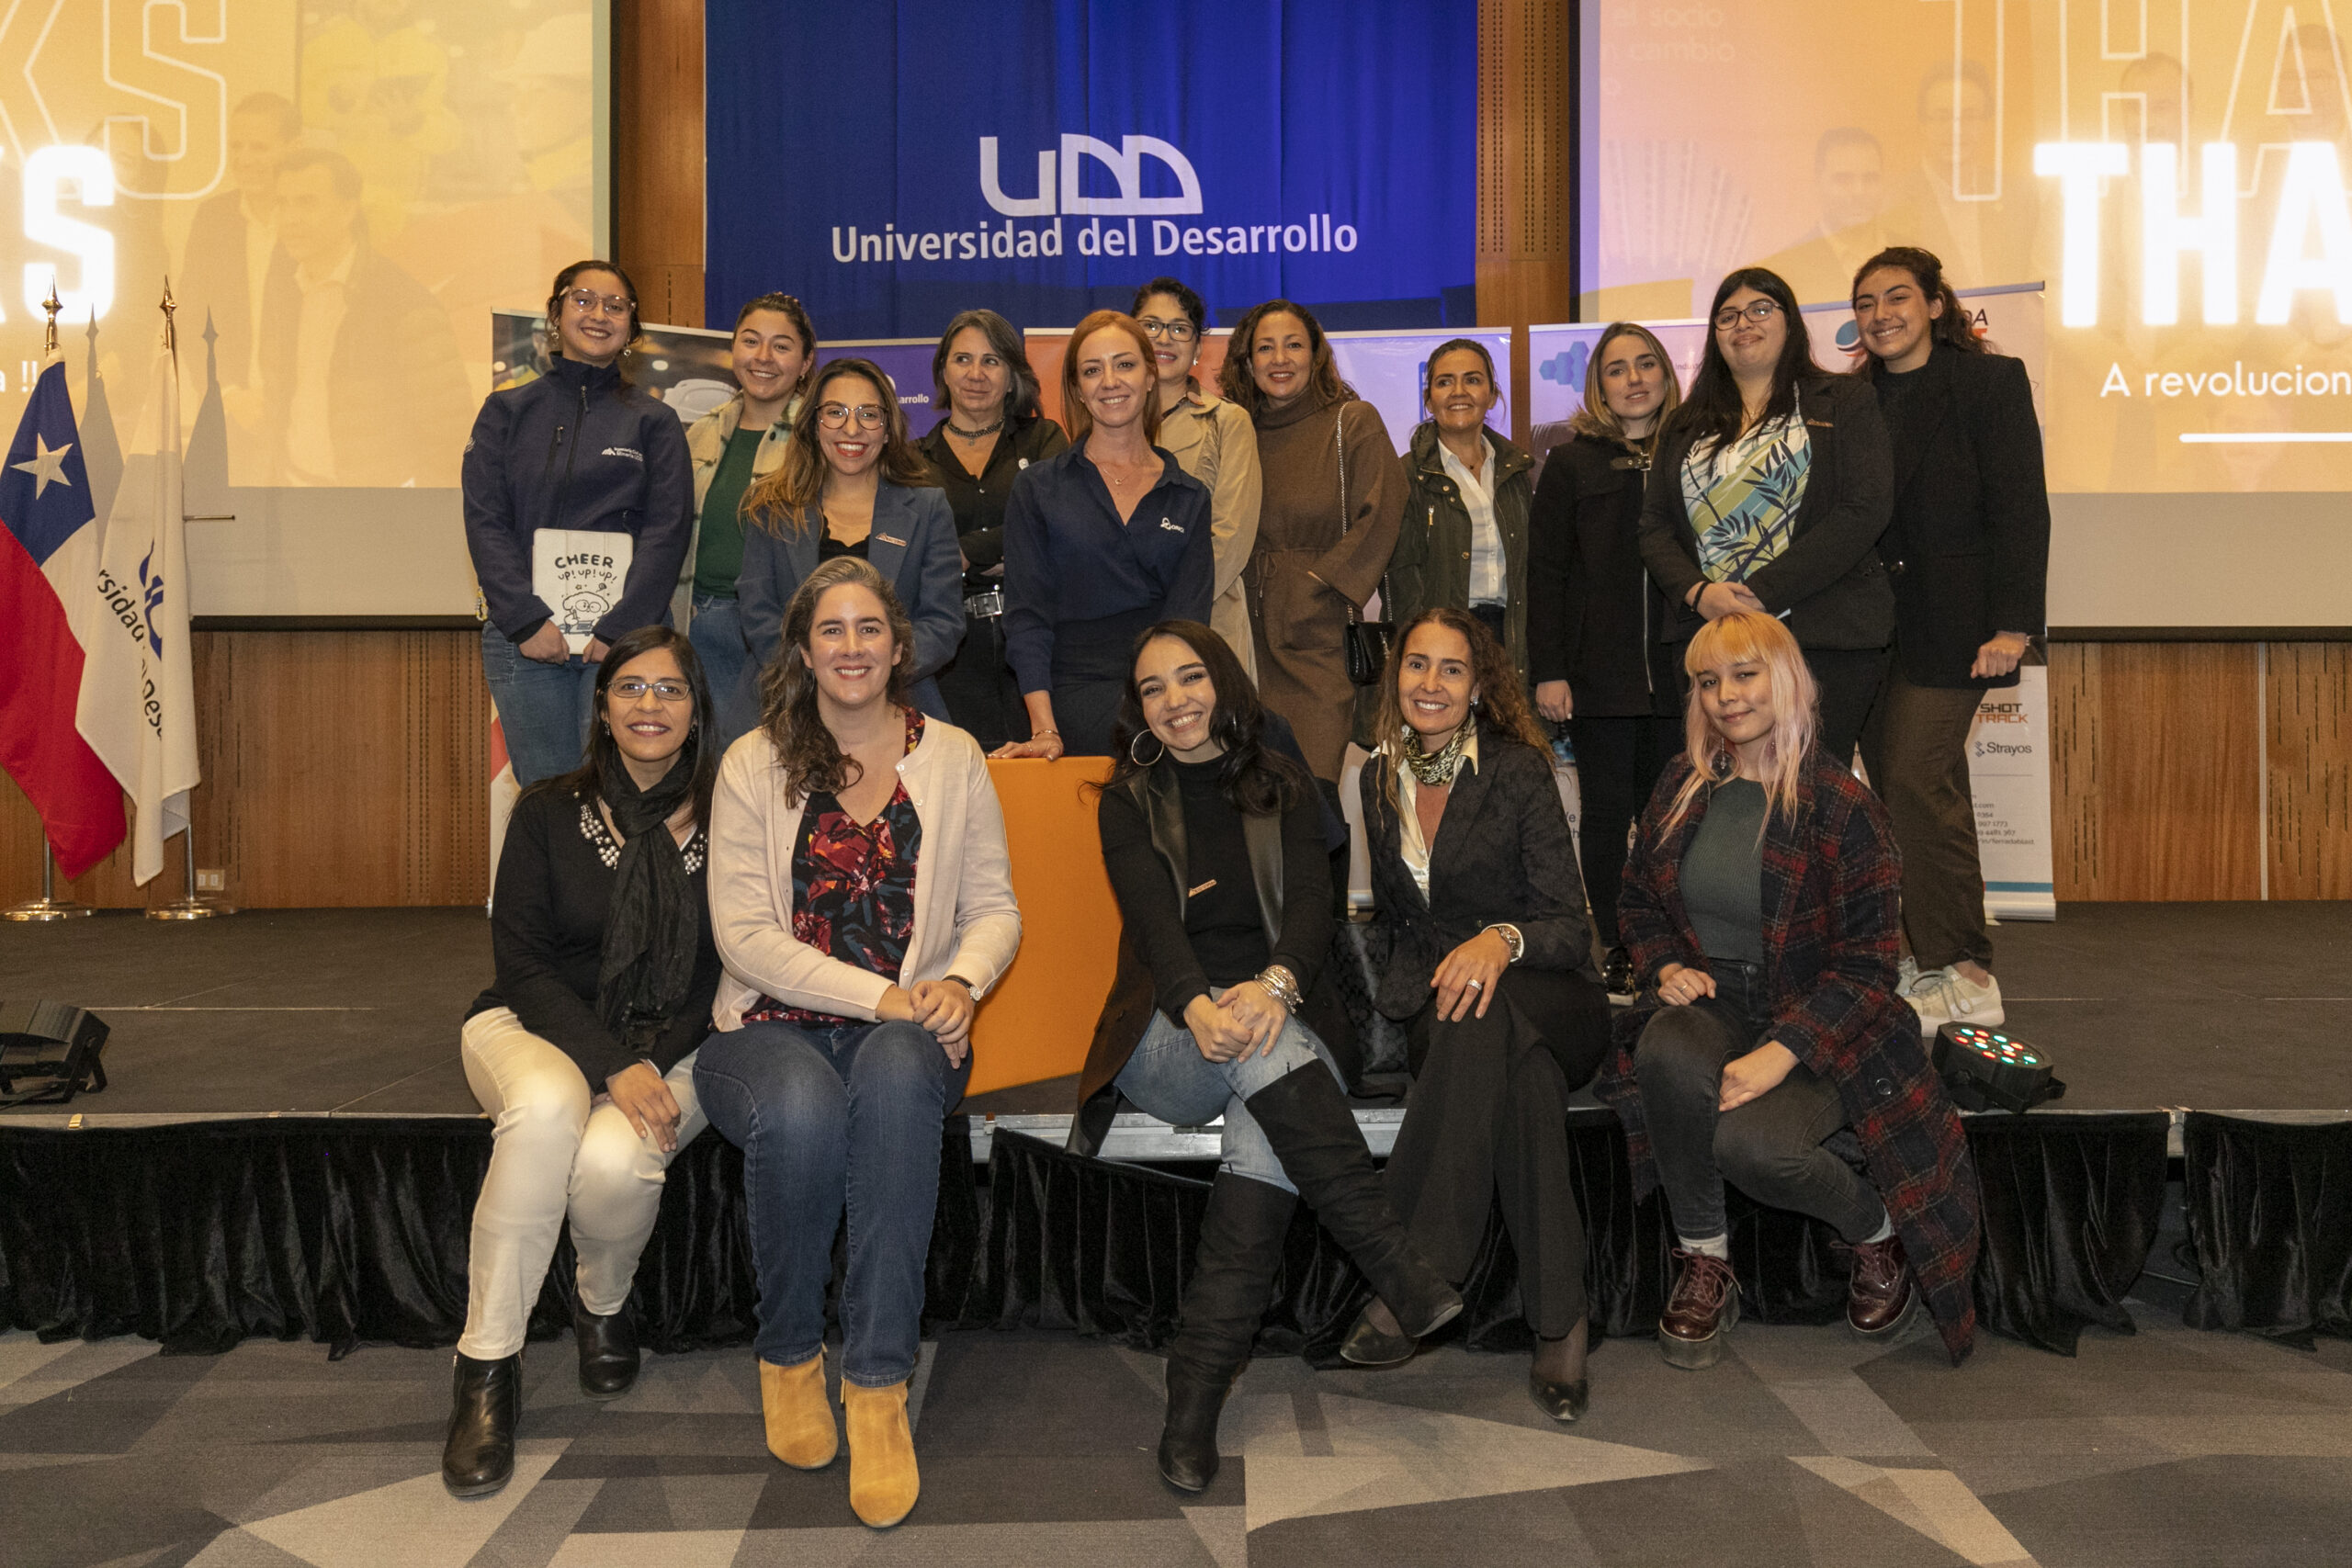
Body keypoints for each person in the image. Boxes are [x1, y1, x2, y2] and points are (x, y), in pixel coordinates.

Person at [1069, 620, 1462, 1494]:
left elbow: (1314, 913)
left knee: (1263, 1106)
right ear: (1137, 707)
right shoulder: (1127, 800)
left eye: (1190, 677)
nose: (1176, 700)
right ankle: (1391, 1259)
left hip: (1277, 1020)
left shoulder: (1280, 781)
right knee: (1267, 1055)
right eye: (1154, 687)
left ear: (1223, 681)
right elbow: (1157, 931)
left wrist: (1273, 986)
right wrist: (1203, 1004)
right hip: (1167, 1039)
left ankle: (1193, 1395)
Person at [696, 557, 1021, 1529]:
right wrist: (888, 995)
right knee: (798, 1108)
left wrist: (962, 979)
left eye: (867, 629)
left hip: (905, 1032)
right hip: (765, 1026)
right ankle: (791, 1352)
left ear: (896, 644)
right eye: (830, 630)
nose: (850, 647)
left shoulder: (954, 756)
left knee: (887, 1085)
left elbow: (994, 908)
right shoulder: (753, 761)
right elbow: (745, 940)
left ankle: (878, 1385)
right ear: (802, 648)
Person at [1595, 610, 1981, 1370]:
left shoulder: (1843, 804)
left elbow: (1869, 971)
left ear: (1787, 679)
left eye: (1745, 675)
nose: (1726, 696)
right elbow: (1637, 900)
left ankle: (1876, 1236)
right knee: (1664, 1050)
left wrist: (1780, 1052)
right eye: (1708, 682)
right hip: (1717, 998)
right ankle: (1705, 1259)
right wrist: (1665, 964)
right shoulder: (1682, 784)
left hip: (1830, 1019)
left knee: (1751, 1147)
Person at [442, 626, 725, 1497]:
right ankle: (486, 1368)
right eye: (630, 687)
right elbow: (521, 965)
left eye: (669, 689)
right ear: (601, 707)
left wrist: (647, 1058)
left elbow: (728, 965)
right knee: (546, 1116)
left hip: (679, 1039)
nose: (649, 704)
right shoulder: (545, 810)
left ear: (696, 711)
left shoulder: (733, 818)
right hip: (534, 1025)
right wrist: (610, 1061)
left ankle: (602, 1304)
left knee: (613, 1159)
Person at [1341, 609, 1612, 1418]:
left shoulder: (1518, 770)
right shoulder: (1375, 779)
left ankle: (1413, 1272)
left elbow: (1570, 925)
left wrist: (1500, 940)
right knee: (1515, 1079)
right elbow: (1397, 919)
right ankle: (1559, 1318)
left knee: (1490, 1017)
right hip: (1455, 1012)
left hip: (1553, 997)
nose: (1430, 683)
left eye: (1450, 669)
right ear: (1397, 679)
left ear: (1477, 685)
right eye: (1416, 665)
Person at [1849, 247, 2050, 1030]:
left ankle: (1965, 967)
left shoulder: (1989, 383)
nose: (1880, 314)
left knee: (1911, 777)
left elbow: (2021, 507)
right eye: (1864, 303)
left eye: (1897, 297)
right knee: (1922, 793)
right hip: (1868, 629)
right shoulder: (1849, 397)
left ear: (1936, 304)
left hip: (1958, 627)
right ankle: (1932, 954)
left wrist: (2015, 624)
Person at [1637, 266, 1895, 769]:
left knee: (1813, 793)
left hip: (1821, 634)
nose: (1743, 324)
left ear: (1789, 321)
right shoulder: (1685, 423)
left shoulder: (1844, 401)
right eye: (1727, 316)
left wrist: (1763, 591)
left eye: (1760, 309)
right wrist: (1699, 593)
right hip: (1711, 638)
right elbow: (1654, 529)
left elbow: (1864, 509)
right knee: (1722, 792)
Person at [463, 259, 695, 787]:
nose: (599, 314)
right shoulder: (506, 411)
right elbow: (485, 519)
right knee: (549, 801)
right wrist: (524, 619)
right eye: (584, 299)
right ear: (556, 312)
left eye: (616, 306)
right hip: (527, 641)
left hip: (624, 645)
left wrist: (621, 630)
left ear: (632, 328)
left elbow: (668, 530)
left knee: (624, 794)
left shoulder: (654, 421)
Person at [1528, 322, 1688, 995]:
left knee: (1677, 814)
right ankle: (1621, 945)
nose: (1633, 379)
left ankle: (1674, 942)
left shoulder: (1698, 450)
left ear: (1666, 374)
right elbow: (1548, 572)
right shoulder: (1571, 461)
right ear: (1598, 384)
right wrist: (1550, 669)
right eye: (1617, 369)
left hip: (1685, 673)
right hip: (1600, 672)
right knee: (1604, 815)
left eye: (1645, 364)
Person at [997, 310, 1213, 759]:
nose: (1110, 381)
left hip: (1160, 700)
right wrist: (1044, 730)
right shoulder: (1038, 488)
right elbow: (1026, 618)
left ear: (1151, 376)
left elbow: (1188, 628)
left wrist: (1171, 709)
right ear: (1077, 389)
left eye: (1125, 364)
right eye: (1092, 370)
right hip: (1063, 700)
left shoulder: (1188, 496)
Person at [1220, 299, 1405, 785]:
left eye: (1293, 345)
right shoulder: (1234, 430)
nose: (1279, 359)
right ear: (1247, 361)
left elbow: (1384, 511)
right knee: (1256, 799)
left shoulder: (1352, 421)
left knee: (1311, 795)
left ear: (1316, 355)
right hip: (1245, 636)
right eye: (1265, 348)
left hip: (1319, 635)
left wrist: (1317, 585)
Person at [736, 358, 964, 725]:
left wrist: (873, 674)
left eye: (869, 414)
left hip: (900, 702)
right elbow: (759, 615)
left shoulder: (928, 508)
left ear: (888, 430)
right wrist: (820, 676)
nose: (852, 428)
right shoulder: (771, 507)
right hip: (788, 706)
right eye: (836, 412)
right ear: (813, 424)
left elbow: (943, 622)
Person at [259, 146, 472, 487]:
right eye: (282, 204)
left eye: (306, 203)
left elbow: (449, 438)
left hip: (373, 510)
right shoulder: (285, 289)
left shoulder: (405, 305)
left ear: (347, 211)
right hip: (290, 490)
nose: (290, 218)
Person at [916, 310, 1069, 750]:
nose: (976, 374)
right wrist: (1015, 547)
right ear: (943, 369)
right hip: (950, 654)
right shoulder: (913, 461)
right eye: (962, 359)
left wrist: (965, 553)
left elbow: (1058, 522)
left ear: (1012, 374)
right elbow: (915, 551)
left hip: (1040, 639)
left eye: (991, 360)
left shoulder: (1043, 440)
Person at [681, 293, 819, 743]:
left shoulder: (821, 441)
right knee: (707, 776)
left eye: (781, 346)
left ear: (805, 362)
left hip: (775, 633)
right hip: (695, 625)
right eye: (751, 341)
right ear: (733, 350)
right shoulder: (698, 431)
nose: (763, 357)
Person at [1134, 277, 1262, 680]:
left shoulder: (1228, 422)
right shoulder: (1105, 422)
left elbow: (1231, 539)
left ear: (1198, 349)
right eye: (1150, 325)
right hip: (1119, 625)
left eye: (1180, 329)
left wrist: (1167, 612)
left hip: (1207, 623)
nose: (1164, 338)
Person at [1389, 339, 1535, 689]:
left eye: (1472, 380)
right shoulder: (1404, 477)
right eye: (1444, 382)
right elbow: (1401, 583)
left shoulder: (1521, 473)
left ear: (1492, 395)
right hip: (1437, 647)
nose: (1459, 392)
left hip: (1511, 641)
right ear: (1429, 400)